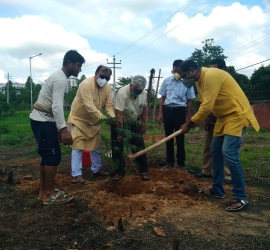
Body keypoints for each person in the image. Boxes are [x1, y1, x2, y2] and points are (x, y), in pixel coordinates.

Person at [178, 60, 260, 212]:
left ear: (191, 70)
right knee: (215, 151)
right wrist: (194, 122)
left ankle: (240, 196)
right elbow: (205, 104)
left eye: (184, 76)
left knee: (229, 152)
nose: (183, 80)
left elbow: (207, 106)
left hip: (236, 114)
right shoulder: (199, 80)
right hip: (223, 118)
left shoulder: (211, 76)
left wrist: (189, 123)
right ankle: (217, 189)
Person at [30, 50, 85, 205]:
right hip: (44, 120)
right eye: (78, 65)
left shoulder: (58, 77)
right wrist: (63, 130)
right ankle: (48, 194)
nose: (80, 69)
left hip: (42, 120)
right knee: (53, 157)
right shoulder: (61, 80)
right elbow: (57, 107)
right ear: (69, 63)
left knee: (47, 156)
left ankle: (43, 191)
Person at [67, 65, 115, 183]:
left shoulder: (107, 88)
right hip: (79, 119)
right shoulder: (86, 84)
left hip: (94, 121)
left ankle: (97, 169)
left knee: (96, 146)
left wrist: (113, 117)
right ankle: (76, 174)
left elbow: (109, 105)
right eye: (102, 76)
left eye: (107, 78)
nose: (104, 79)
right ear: (96, 73)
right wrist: (105, 119)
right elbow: (89, 106)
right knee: (77, 146)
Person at [195, 59, 232, 184]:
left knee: (226, 149)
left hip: (226, 118)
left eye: (214, 69)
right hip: (211, 118)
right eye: (210, 69)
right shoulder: (205, 82)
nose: (211, 71)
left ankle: (228, 176)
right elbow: (205, 102)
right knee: (209, 146)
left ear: (223, 70)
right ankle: (207, 171)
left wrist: (191, 122)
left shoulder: (226, 82)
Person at [158, 59, 195, 170]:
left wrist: (188, 117)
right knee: (168, 138)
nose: (176, 73)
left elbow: (189, 100)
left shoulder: (187, 82)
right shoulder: (167, 81)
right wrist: (160, 113)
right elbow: (163, 98)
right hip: (168, 111)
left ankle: (181, 164)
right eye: (174, 70)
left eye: (178, 71)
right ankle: (169, 163)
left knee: (180, 138)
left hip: (180, 112)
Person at [111, 75, 150, 181]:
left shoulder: (143, 93)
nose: (137, 93)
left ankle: (143, 170)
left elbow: (144, 106)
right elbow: (119, 113)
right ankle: (118, 172)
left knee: (139, 145)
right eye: (136, 91)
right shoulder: (122, 93)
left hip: (134, 120)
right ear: (131, 85)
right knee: (117, 146)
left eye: (140, 91)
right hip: (121, 120)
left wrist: (143, 122)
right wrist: (120, 131)